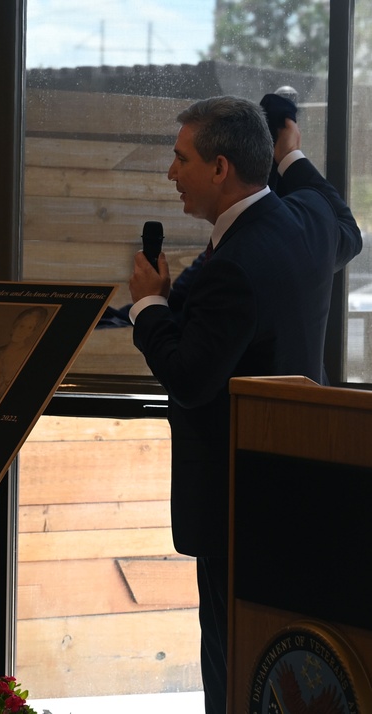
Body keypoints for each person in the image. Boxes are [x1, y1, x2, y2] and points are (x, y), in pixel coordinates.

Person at [127, 96, 362, 714]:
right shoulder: (309, 224)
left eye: (180, 159)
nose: (169, 173)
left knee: (231, 667)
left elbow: (190, 377)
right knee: (278, 661)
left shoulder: (229, 268)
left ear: (220, 168)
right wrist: (291, 153)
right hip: (300, 492)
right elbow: (348, 225)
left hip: (234, 502)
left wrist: (150, 306)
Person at [0, 306, 49, 398]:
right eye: (21, 326)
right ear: (14, 326)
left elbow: (14, 395)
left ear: (31, 333)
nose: (22, 332)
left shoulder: (27, 356)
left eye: (29, 328)